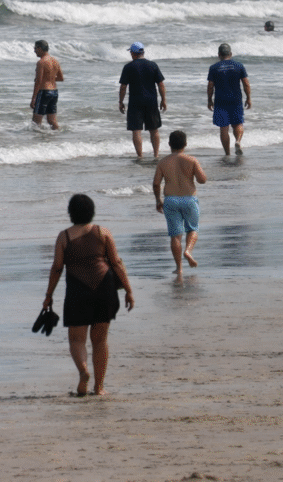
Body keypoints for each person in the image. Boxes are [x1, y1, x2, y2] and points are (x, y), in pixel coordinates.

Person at [42, 194, 134, 397]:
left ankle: (84, 371)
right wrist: (128, 290)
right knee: (100, 341)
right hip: (105, 288)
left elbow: (57, 268)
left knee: (77, 340)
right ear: (92, 211)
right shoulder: (103, 232)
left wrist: (49, 295)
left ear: (70, 213)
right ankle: (99, 388)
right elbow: (116, 262)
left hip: (77, 291)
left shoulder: (64, 237)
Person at [153, 130, 208, 275]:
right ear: (185, 144)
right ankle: (188, 251)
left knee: (175, 235)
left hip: (170, 200)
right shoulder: (191, 160)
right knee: (193, 229)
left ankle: (179, 268)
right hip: (189, 199)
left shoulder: (163, 162)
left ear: (169, 144)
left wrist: (158, 200)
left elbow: (156, 184)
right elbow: (202, 180)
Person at [118, 42, 167, 158]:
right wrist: (163, 100)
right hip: (151, 100)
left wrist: (120, 102)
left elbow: (123, 86)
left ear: (133, 53)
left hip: (135, 101)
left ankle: (140, 156)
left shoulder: (129, 67)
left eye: (130, 52)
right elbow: (161, 84)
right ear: (142, 52)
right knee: (154, 129)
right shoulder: (153, 65)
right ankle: (156, 155)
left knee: (136, 130)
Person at [207, 43, 251, 156]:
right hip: (235, 100)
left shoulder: (214, 68)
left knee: (224, 128)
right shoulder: (239, 66)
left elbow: (210, 86)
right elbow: (246, 83)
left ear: (219, 54)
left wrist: (209, 100)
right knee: (238, 124)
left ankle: (227, 154)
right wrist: (248, 98)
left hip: (221, 101)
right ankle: (238, 141)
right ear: (230, 54)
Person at [31, 40, 64, 130]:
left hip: (44, 92)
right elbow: (61, 78)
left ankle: (37, 142)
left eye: (35, 48)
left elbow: (38, 82)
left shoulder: (41, 62)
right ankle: (59, 137)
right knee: (52, 121)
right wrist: (49, 78)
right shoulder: (55, 61)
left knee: (36, 122)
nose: (34, 51)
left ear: (40, 48)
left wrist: (33, 98)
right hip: (54, 92)